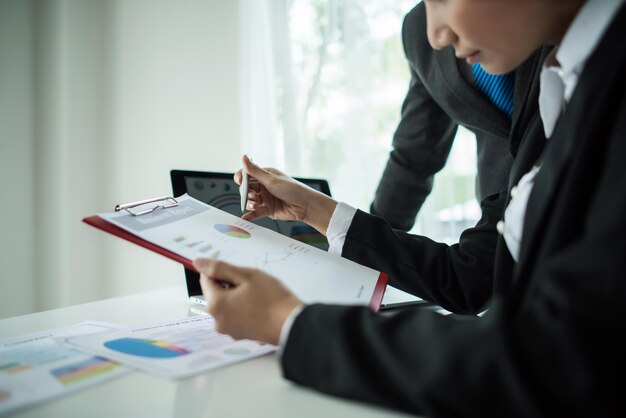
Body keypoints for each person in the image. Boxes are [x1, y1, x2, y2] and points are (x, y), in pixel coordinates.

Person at [194, 0, 626, 416]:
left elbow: (554, 359)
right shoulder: (558, 96)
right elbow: (470, 275)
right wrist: (317, 212)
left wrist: (288, 322)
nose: (434, 35)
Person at [371, 2, 549, 231]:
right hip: (494, 235)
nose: (436, 37)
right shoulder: (419, 31)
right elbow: (415, 151)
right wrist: (367, 244)